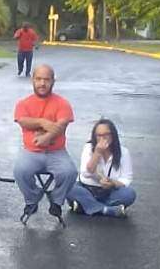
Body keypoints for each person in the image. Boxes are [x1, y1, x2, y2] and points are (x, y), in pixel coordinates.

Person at [12, 64, 77, 223]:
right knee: (20, 171)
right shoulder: (23, 103)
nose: (42, 83)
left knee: (70, 172)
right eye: (39, 79)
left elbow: (62, 125)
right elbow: (23, 121)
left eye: (46, 79)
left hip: (57, 152)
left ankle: (56, 200)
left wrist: (45, 138)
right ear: (32, 80)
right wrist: (43, 122)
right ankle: (32, 199)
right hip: (31, 152)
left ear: (53, 81)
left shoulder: (62, 103)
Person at [69, 118, 136, 218]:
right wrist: (97, 153)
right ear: (94, 137)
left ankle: (86, 207)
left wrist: (113, 183)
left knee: (129, 194)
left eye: (106, 134)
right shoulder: (88, 148)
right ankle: (106, 210)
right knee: (69, 188)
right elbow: (86, 173)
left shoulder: (123, 152)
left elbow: (127, 178)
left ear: (113, 135)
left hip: (109, 192)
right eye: (99, 135)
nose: (103, 138)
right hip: (87, 188)